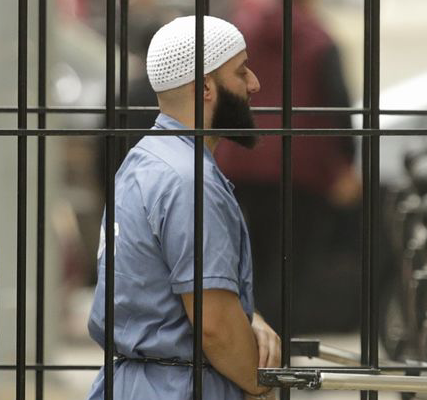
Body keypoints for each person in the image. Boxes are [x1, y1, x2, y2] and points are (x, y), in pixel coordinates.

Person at [86, 16, 281, 400]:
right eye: (241, 71)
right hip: (182, 387)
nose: (254, 83)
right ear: (206, 87)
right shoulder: (188, 179)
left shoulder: (144, 160)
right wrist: (262, 386)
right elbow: (214, 326)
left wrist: (248, 318)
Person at [214, 0, 363, 332]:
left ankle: (249, 346)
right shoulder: (319, 40)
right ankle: (281, 355)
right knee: (291, 269)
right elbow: (338, 106)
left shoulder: (241, 32)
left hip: (240, 163)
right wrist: (345, 163)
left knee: (245, 263)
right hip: (301, 168)